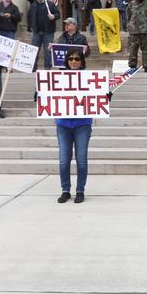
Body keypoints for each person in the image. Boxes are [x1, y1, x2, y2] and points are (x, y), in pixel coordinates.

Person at [54, 47, 92, 204]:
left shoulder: (89, 77)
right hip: (63, 123)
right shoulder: (58, 77)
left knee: (81, 159)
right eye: (71, 59)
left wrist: (105, 95)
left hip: (82, 123)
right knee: (64, 159)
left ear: (82, 61)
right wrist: (40, 94)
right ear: (66, 61)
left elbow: (96, 97)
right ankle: (65, 190)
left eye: (77, 59)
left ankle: (80, 190)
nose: (74, 62)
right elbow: (50, 95)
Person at [27, 0, 60, 70]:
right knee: (34, 51)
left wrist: (54, 16)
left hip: (48, 32)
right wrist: (30, 26)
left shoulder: (50, 4)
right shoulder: (33, 5)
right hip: (37, 32)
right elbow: (29, 16)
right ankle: (33, 68)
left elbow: (58, 14)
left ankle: (47, 68)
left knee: (48, 51)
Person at [126, 0, 147, 72]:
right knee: (133, 49)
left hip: (145, 31)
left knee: (146, 49)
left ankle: (146, 66)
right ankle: (132, 66)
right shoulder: (131, 4)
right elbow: (128, 16)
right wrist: (131, 25)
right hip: (134, 31)